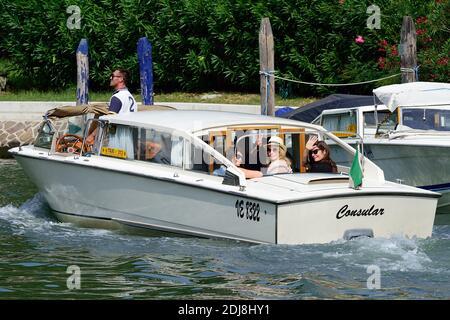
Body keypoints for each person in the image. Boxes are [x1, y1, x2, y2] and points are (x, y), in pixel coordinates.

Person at [86, 68, 137, 147]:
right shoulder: (130, 96)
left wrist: (92, 136)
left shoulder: (117, 97)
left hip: (118, 138)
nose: (110, 78)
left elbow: (107, 122)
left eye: (112, 76)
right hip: (129, 137)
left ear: (121, 79)